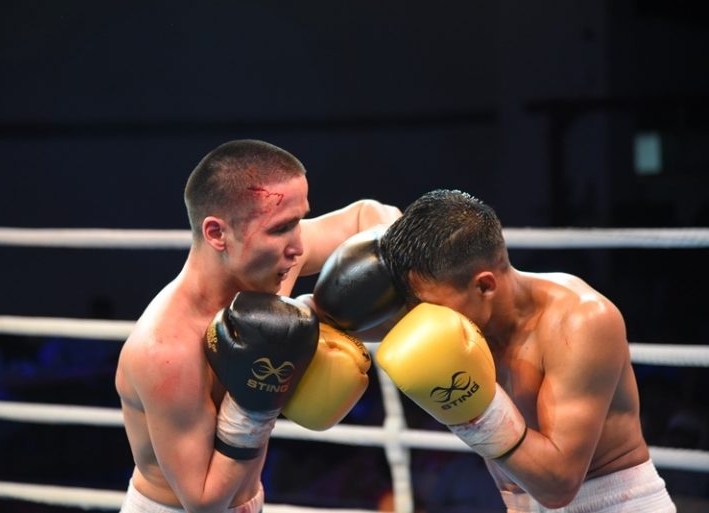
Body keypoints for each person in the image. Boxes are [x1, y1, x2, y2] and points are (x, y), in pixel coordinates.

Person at [114, 139, 401, 513]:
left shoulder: (269, 266)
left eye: (298, 220)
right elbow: (204, 502)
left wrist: (398, 255)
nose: (299, 247)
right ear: (217, 234)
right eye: (281, 228)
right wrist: (254, 405)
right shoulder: (166, 350)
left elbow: (367, 214)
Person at [372, 189, 675, 512]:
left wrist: (475, 413)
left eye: (429, 306)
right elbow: (363, 222)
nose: (421, 318)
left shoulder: (581, 321)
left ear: (485, 285)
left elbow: (558, 486)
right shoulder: (453, 307)